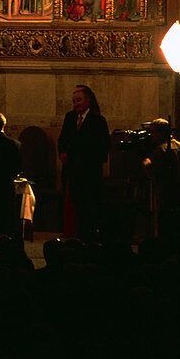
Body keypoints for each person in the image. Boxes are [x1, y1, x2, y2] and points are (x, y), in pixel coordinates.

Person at [58, 84, 110, 241]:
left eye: (79, 100)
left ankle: (90, 236)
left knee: (90, 206)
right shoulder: (70, 117)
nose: (76, 104)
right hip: (72, 171)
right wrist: (63, 152)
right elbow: (62, 139)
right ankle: (80, 234)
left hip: (90, 172)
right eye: (74, 101)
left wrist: (90, 158)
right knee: (77, 204)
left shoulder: (98, 120)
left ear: (88, 101)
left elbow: (104, 145)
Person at [142, 118, 180, 239]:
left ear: (160, 133)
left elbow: (155, 174)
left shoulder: (160, 151)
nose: (151, 136)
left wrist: (147, 164)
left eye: (153, 132)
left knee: (167, 232)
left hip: (166, 197)